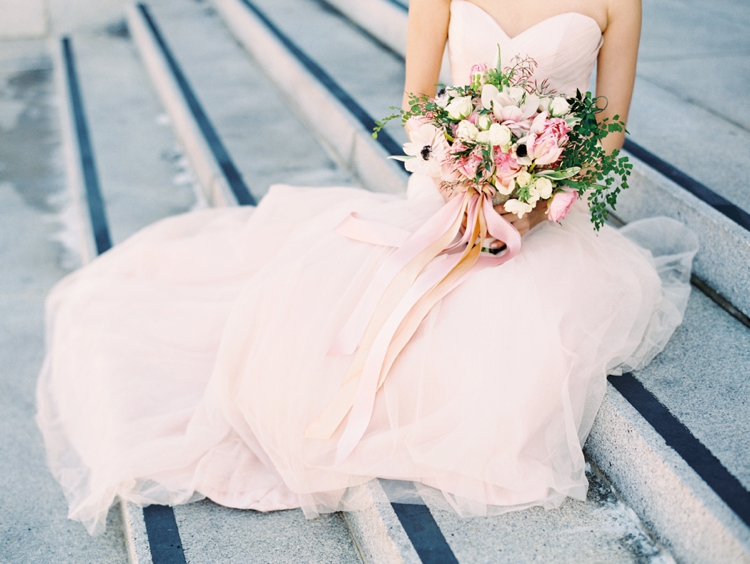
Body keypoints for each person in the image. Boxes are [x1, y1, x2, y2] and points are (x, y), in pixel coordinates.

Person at [37, 0, 697, 536]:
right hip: (448, 189)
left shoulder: (619, 2)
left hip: (548, 212)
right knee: (338, 307)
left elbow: (608, 127)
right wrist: (457, 173)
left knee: (512, 321)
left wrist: (539, 197)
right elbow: (418, 104)